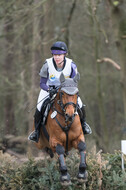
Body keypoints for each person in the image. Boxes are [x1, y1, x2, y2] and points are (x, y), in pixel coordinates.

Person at [28, 41, 92, 143]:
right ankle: (36, 132)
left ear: (64, 55)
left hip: (67, 91)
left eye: (59, 55)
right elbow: (42, 83)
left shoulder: (71, 65)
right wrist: (49, 90)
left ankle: (84, 125)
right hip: (48, 89)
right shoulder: (47, 64)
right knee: (39, 108)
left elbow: (74, 82)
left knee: (80, 104)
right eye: (54, 55)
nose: (56, 57)